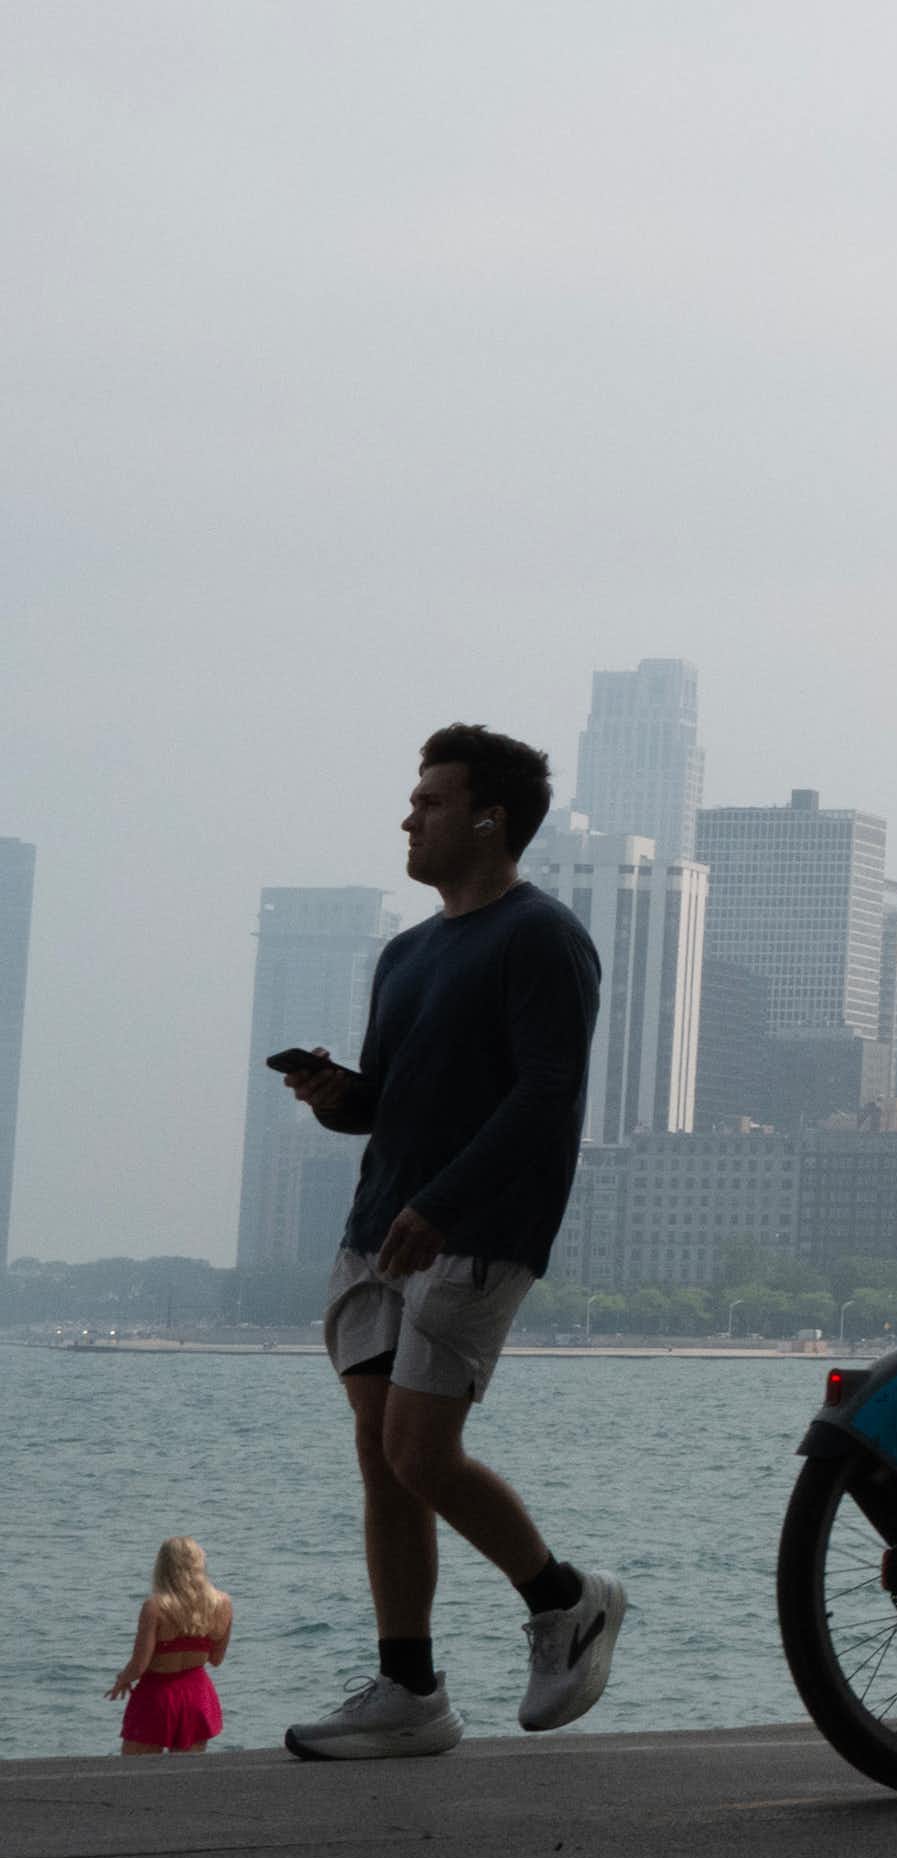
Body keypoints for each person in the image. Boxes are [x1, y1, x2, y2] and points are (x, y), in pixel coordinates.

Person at [277, 725, 619, 1761]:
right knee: (383, 1464)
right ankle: (410, 1689)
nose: (407, 816)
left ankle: (569, 1600)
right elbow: (387, 1105)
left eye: (428, 798)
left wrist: (447, 1201)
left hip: (475, 1230)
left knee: (419, 1449)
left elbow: (547, 1094)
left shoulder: (541, 936)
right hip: (381, 1226)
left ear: (489, 817)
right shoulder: (406, 951)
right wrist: (338, 1098)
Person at [108, 1536, 232, 1755]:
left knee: (134, 1775)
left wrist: (122, 1679)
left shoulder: (155, 1607)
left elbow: (140, 1664)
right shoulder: (222, 1603)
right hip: (197, 1695)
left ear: (163, 1566)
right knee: (183, 1779)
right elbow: (216, 1659)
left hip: (157, 1696)